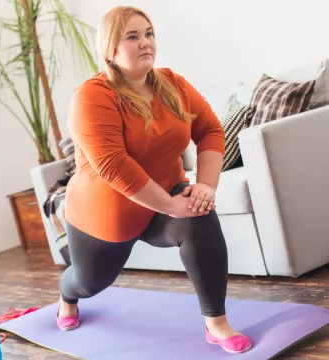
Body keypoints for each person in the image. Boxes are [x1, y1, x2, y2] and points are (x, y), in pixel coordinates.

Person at [56, 5, 252, 355]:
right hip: (106, 217)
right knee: (89, 283)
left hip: (165, 196)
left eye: (148, 33)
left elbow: (209, 129)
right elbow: (114, 164)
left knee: (198, 215)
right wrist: (171, 206)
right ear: (110, 50)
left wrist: (204, 186)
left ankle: (216, 322)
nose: (145, 42)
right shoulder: (92, 96)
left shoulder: (172, 82)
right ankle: (67, 296)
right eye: (132, 36)